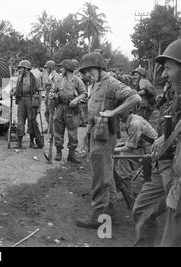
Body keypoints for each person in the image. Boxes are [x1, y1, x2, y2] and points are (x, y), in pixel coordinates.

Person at [75, 52, 141, 229]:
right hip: (95, 133)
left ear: (99, 67)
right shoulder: (95, 83)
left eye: (89, 70)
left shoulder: (111, 82)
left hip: (104, 135)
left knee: (100, 175)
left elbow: (135, 97)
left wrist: (113, 112)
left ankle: (99, 215)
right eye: (85, 71)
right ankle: (109, 208)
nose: (87, 74)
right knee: (105, 173)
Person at [132, 38, 181, 247]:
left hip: (175, 169)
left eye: (169, 68)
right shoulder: (174, 90)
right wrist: (166, 136)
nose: (164, 74)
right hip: (165, 160)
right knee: (142, 209)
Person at [50, 59, 87, 163]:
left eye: (62, 67)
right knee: (58, 130)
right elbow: (53, 91)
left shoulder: (77, 80)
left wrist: (76, 100)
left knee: (72, 132)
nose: (60, 69)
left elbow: (84, 93)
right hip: (60, 107)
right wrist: (52, 95)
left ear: (67, 68)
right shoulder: (58, 80)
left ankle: (71, 155)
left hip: (72, 109)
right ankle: (58, 152)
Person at [114, 112, 158, 191]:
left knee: (122, 157)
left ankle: (127, 186)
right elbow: (134, 140)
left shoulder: (134, 124)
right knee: (118, 145)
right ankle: (119, 182)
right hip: (144, 146)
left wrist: (114, 150)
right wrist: (121, 143)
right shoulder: (133, 118)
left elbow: (130, 148)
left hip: (151, 151)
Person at [14, 60, 44, 149]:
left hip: (31, 101)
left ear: (26, 69)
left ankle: (31, 142)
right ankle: (19, 142)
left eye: (21, 68)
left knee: (32, 122)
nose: (20, 70)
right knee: (20, 121)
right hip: (21, 101)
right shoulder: (19, 79)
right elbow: (16, 90)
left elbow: (39, 94)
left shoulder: (36, 79)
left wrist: (38, 107)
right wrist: (13, 92)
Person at [42, 60, 59, 128]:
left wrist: (50, 83)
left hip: (52, 95)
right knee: (47, 113)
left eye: (47, 68)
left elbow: (56, 86)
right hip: (47, 94)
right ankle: (49, 127)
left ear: (51, 68)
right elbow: (44, 85)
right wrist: (46, 84)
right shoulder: (47, 75)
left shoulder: (55, 75)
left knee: (52, 113)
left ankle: (53, 128)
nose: (46, 69)